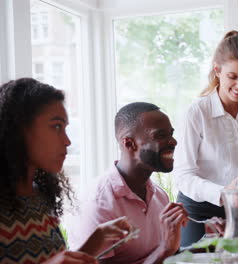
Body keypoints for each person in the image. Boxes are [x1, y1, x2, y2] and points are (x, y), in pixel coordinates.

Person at [0, 78, 132, 263]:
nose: (67, 141)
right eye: (56, 126)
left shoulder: (39, 196)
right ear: (19, 130)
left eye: (64, 128)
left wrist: (96, 241)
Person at [172, 30, 238, 246]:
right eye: (232, 77)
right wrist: (224, 193)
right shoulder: (197, 112)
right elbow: (182, 175)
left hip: (235, 211)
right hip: (196, 213)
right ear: (217, 70)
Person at [68, 102, 189, 264]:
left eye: (171, 134)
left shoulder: (159, 195)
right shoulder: (99, 203)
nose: (173, 141)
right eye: (160, 135)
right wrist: (165, 249)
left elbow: (168, 258)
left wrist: (212, 242)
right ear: (129, 144)